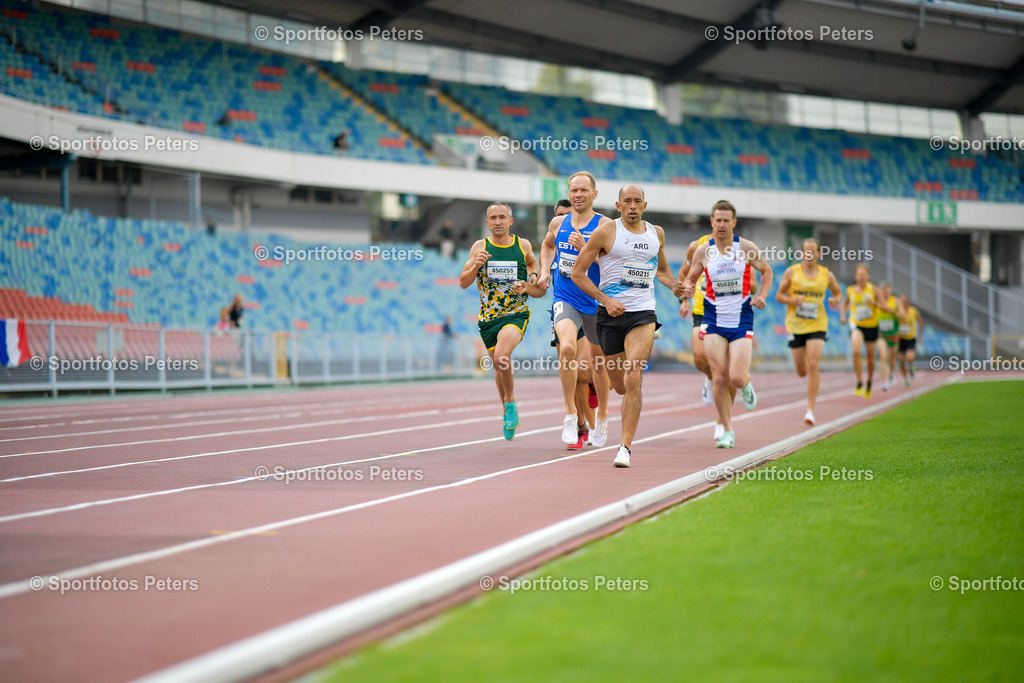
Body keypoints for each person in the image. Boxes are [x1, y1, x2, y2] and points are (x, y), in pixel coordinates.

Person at [571, 184, 686, 468]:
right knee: (620, 386)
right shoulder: (606, 232)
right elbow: (578, 273)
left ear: (644, 206)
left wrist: (674, 285)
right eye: (627, 201)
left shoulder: (655, 233)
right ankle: (613, 395)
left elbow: (660, 270)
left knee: (634, 376)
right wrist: (605, 299)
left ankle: (625, 447)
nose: (633, 206)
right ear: (618, 205)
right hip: (610, 315)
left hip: (643, 313)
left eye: (638, 201)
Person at [681, 200, 773, 449]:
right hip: (712, 320)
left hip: (741, 319)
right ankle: (727, 429)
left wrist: (762, 295)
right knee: (720, 377)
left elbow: (767, 271)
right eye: (717, 220)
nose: (721, 225)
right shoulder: (702, 251)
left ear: (733, 222)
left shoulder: (745, 248)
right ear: (711, 222)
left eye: (726, 220)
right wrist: (686, 293)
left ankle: (746, 383)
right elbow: (690, 279)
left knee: (736, 378)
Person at [537, 172, 612, 450]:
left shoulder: (605, 225)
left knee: (598, 366)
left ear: (594, 194)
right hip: (565, 297)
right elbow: (546, 245)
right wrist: (545, 270)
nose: (578, 194)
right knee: (566, 349)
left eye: (583, 190)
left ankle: (602, 417)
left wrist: (591, 252)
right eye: (573, 190)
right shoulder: (559, 222)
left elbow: (615, 261)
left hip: (595, 300)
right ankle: (570, 415)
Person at [459, 202, 545, 440]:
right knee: (499, 367)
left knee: (502, 357)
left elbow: (531, 263)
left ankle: (509, 403)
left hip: (515, 313)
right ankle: (507, 407)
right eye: (493, 218)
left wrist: (530, 279)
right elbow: (463, 282)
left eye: (502, 217)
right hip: (488, 319)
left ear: (510, 221)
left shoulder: (522, 245)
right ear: (487, 223)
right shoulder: (480, 247)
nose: (497, 222)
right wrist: (477, 265)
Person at [774, 238, 842, 426]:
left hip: (817, 325)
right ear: (802, 253)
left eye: (813, 251)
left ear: (818, 254)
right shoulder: (792, 272)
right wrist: (791, 301)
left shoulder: (826, 275)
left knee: (813, 363)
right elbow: (778, 296)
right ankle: (803, 362)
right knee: (802, 371)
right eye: (806, 251)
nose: (809, 254)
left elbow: (837, 293)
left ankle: (810, 409)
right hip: (795, 325)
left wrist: (836, 300)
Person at [840, 264, 879, 398]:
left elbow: (884, 306)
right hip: (856, 324)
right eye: (859, 275)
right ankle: (858, 382)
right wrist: (843, 315)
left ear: (867, 277)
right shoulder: (850, 290)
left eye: (864, 275)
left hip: (872, 326)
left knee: (870, 358)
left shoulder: (873, 290)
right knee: (856, 351)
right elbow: (845, 304)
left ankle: (869, 381)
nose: (862, 278)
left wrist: (875, 304)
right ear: (856, 276)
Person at [873, 282, 904, 391]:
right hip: (881, 334)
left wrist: (892, 311)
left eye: (888, 291)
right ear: (880, 292)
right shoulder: (876, 302)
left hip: (893, 334)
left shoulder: (895, 302)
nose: (886, 293)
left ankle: (890, 373)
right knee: (883, 356)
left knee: (891, 357)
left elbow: (903, 316)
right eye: (883, 291)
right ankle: (885, 381)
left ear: (891, 291)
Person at [897, 294, 920, 386]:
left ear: (907, 300)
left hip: (910, 338)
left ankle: (911, 366)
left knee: (909, 357)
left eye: (904, 299)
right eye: (901, 299)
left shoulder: (913, 310)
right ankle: (905, 378)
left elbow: (920, 321)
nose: (902, 301)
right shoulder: (897, 312)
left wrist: (920, 334)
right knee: (901, 361)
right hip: (900, 339)